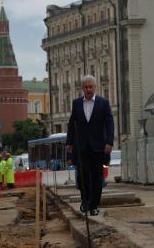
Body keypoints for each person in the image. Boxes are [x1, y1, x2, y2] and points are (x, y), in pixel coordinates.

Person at [66, 75, 114, 216]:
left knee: (96, 177)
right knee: (82, 177)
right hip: (81, 147)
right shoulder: (76, 104)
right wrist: (69, 143)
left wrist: (109, 142)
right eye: (86, 87)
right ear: (82, 88)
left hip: (98, 147)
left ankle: (94, 206)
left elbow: (109, 123)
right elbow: (71, 124)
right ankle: (85, 202)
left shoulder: (103, 103)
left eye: (90, 87)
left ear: (95, 87)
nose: (88, 89)